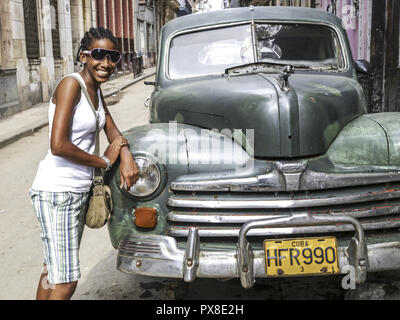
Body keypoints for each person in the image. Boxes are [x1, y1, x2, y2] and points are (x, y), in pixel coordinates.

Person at [29, 27, 139, 300]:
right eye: (99, 54)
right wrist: (103, 160)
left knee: (52, 271)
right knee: (66, 282)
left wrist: (125, 154)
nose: (107, 63)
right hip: (59, 192)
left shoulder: (95, 90)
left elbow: (111, 129)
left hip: (76, 191)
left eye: (113, 56)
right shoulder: (71, 85)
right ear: (84, 56)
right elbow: (58, 144)